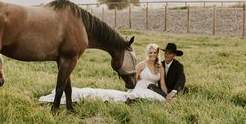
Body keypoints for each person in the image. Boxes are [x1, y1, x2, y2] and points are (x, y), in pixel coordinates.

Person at [38, 43, 167, 104]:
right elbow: (134, 80)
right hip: (140, 89)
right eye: (150, 53)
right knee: (108, 96)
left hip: (153, 90)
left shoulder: (160, 66)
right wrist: (134, 90)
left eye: (154, 53)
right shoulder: (140, 65)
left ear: (157, 54)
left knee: (158, 100)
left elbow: (162, 83)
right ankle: (72, 95)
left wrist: (166, 94)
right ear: (147, 54)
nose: (152, 55)